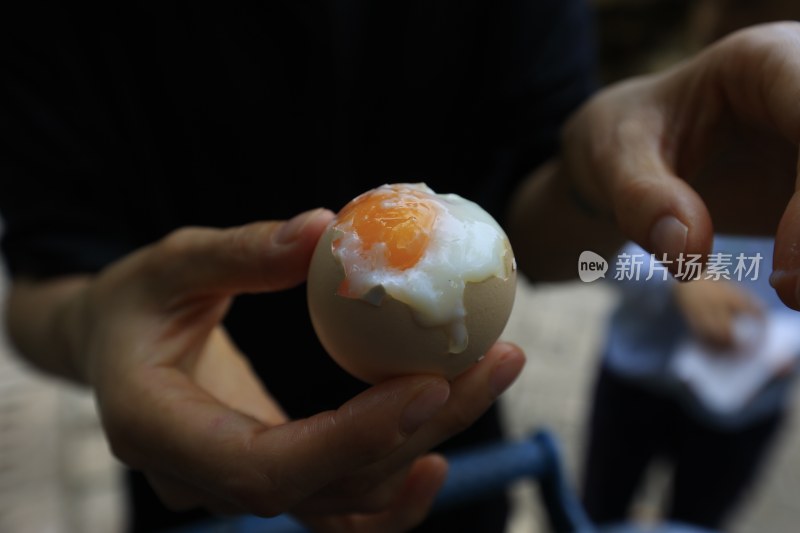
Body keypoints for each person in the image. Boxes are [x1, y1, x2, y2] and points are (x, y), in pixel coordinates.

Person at [3, 2, 800, 532]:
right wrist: (94, 320)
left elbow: (530, 223)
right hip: (197, 470)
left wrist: (635, 185)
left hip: (450, 467)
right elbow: (45, 272)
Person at [581, 236, 800, 530]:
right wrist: (677, 278)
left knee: (699, 521)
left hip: (747, 400)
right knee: (596, 514)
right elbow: (591, 251)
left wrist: (785, 339)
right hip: (635, 372)